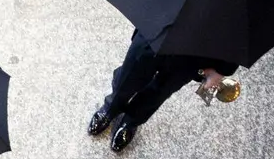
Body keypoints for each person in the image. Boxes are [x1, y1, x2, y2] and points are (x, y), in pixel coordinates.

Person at [86, 27, 241, 152]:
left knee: (161, 90)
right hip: (159, 27)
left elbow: (245, 26)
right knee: (130, 74)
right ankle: (111, 106)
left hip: (197, 52)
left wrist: (222, 70)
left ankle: (131, 120)